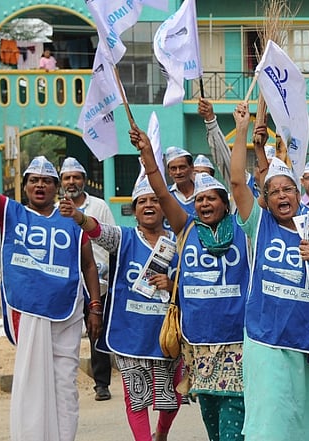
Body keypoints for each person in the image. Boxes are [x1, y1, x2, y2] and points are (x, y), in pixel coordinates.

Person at [229, 103, 309, 440]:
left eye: (288, 189)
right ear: (265, 199)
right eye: (275, 191)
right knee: (270, 424)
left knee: (307, 425)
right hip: (266, 339)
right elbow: (238, 181)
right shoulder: (259, 223)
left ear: (298, 194)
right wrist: (242, 131)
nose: (283, 196)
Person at [132, 128, 250, 441]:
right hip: (197, 343)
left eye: (212, 198)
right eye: (199, 200)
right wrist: (147, 155)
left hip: (237, 342)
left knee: (233, 424)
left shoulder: (244, 230)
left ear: (225, 204)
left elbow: (238, 179)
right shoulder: (186, 229)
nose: (205, 204)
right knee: (211, 419)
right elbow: (161, 192)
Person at [0, 156, 102, 441]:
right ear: (24, 187)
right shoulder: (11, 213)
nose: (40, 185)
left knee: (65, 386)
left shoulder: (73, 221)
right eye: (33, 180)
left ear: (56, 187)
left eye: (46, 181)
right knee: (32, 382)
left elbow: (89, 265)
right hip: (29, 310)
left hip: (68, 313)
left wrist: (95, 308)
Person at [60, 176, 182, 441]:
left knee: (171, 397)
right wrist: (78, 216)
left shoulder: (180, 241)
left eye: (154, 200)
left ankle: (161, 433)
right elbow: (96, 230)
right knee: (136, 398)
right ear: (134, 209)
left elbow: (190, 282)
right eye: (142, 202)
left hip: (168, 334)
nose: (148, 205)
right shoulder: (123, 237)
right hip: (130, 333)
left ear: (164, 206)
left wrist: (171, 284)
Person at [57, 156, 117, 401]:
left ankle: (101, 384)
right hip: (68, 285)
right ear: (61, 182)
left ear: (84, 180)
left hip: (97, 281)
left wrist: (107, 269)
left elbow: (112, 238)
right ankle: (62, 385)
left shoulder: (99, 206)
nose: (72, 182)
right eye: (67, 178)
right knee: (65, 334)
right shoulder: (54, 210)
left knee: (96, 331)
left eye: (76, 177)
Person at [164, 147, 196, 216]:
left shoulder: (202, 192)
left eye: (182, 167)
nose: (178, 172)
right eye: (173, 169)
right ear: (169, 172)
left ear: (191, 168)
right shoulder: (166, 194)